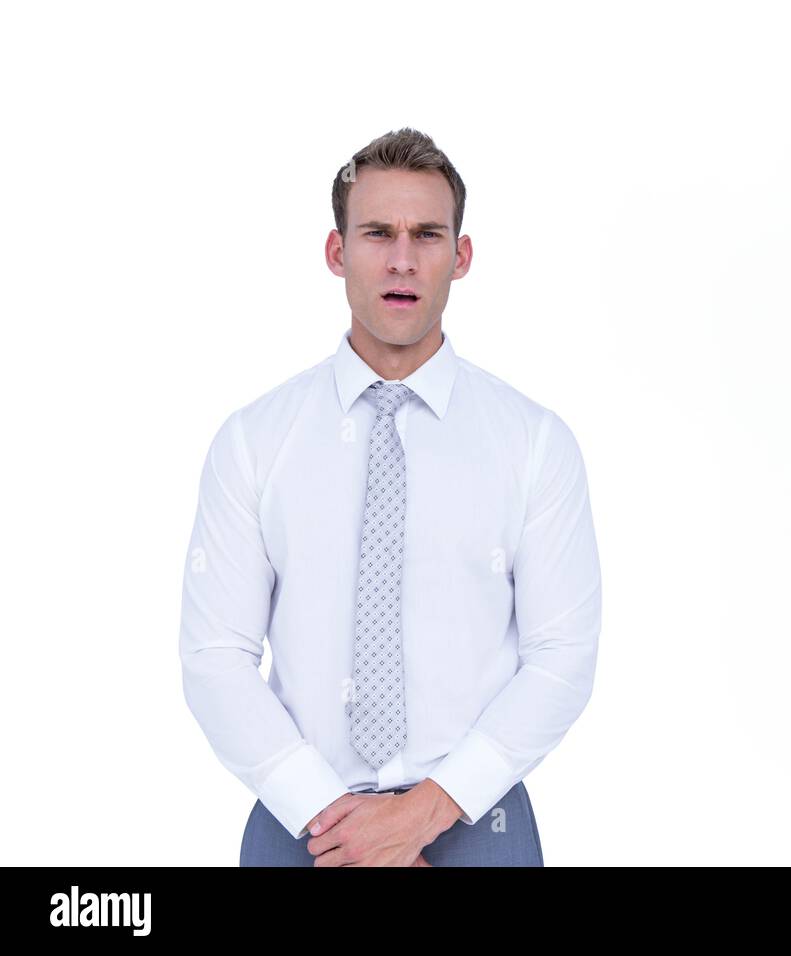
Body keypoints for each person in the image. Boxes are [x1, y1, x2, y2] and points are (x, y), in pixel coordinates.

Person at [178, 127, 601, 867]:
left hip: (476, 817)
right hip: (301, 819)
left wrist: (419, 819)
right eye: (378, 232)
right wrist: (343, 822)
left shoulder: (533, 443)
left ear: (461, 257)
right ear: (337, 251)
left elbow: (561, 655)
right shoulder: (255, 441)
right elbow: (216, 657)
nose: (403, 259)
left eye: (428, 234)